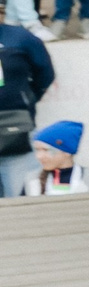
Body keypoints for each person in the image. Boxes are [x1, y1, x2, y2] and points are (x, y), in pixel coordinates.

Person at [0, 25, 56, 195]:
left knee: (22, 197)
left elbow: (45, 73)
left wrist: (26, 99)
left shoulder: (20, 37)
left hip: (16, 131)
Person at [14, 120, 89, 196]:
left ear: (67, 152)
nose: (39, 156)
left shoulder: (88, 178)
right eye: (37, 150)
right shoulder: (32, 180)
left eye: (46, 150)